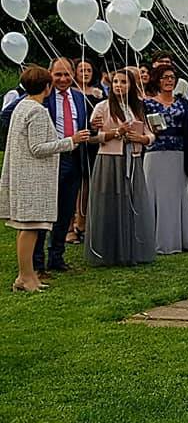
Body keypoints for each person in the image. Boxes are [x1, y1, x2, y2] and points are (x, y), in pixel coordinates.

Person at [0, 66, 89, 291]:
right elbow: (38, 147)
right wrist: (71, 140)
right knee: (30, 229)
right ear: (47, 87)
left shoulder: (22, 106)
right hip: (34, 179)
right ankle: (26, 276)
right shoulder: (37, 110)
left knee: (27, 229)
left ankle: (27, 276)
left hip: (26, 176)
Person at [86, 68, 156, 266]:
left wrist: (141, 139)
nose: (119, 86)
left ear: (131, 85)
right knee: (108, 202)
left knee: (131, 202)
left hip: (132, 160)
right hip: (109, 160)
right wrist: (116, 133)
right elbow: (92, 137)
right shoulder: (102, 107)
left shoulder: (138, 107)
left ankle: (132, 248)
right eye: (116, 82)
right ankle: (108, 250)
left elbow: (151, 134)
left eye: (123, 82)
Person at [143, 66, 188, 255]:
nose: (169, 81)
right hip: (155, 152)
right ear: (158, 80)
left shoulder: (183, 103)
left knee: (176, 196)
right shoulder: (147, 104)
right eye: (165, 77)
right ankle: (155, 240)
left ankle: (180, 239)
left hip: (179, 153)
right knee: (154, 195)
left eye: (172, 78)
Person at [67, 59, 106, 245]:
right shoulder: (69, 93)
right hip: (74, 142)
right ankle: (70, 225)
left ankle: (83, 223)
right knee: (73, 183)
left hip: (92, 143)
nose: (85, 72)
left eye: (89, 69)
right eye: (81, 69)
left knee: (89, 182)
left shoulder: (98, 94)